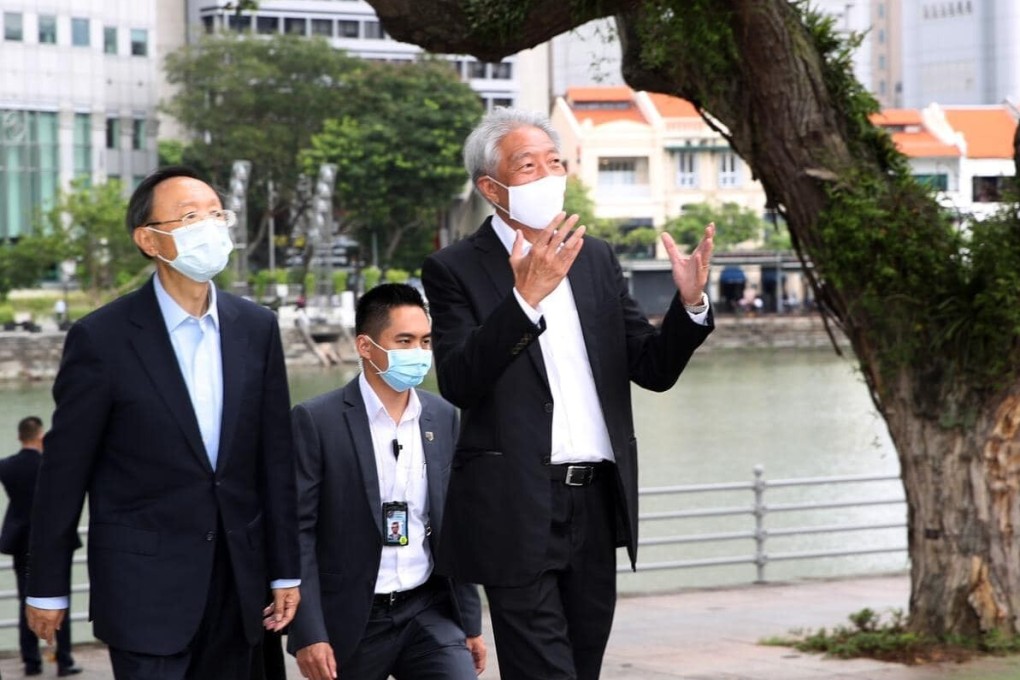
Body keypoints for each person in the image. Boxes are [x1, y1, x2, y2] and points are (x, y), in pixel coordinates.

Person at [421, 107, 715, 680]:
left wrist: (690, 305)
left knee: (583, 667)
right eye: (528, 165)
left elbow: (651, 369)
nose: (549, 174)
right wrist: (524, 301)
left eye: (555, 162)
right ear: (491, 187)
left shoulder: (596, 257)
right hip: (516, 505)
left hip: (596, 502)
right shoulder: (454, 268)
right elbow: (459, 380)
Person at [25, 165, 301, 680]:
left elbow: (275, 460)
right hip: (144, 592)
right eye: (191, 216)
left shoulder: (256, 328)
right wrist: (46, 586)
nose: (211, 227)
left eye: (218, 215)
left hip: (242, 589)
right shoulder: (101, 339)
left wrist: (286, 570)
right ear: (148, 239)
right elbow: (63, 474)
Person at [288, 283, 487, 680]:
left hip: (427, 609)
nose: (418, 353)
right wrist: (308, 632)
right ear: (365, 346)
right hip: (353, 620)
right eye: (404, 340)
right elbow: (298, 531)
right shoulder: (316, 420)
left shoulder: (443, 416)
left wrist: (471, 622)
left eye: (425, 341)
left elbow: (455, 524)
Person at [0, 417, 82, 677]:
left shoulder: (6, 466)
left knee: (25, 598)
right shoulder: (50, 466)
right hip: (55, 541)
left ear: (19, 437)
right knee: (60, 599)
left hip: (20, 539)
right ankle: (64, 660)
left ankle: (31, 662)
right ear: (40, 436)